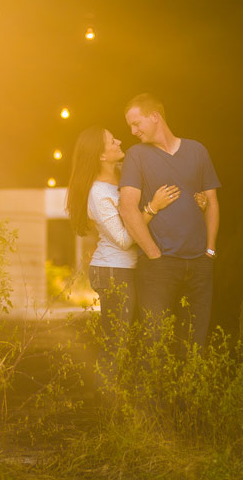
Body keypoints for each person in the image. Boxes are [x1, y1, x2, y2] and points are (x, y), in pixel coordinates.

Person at [66, 126, 207, 373]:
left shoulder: (122, 176)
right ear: (100, 155)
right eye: (111, 141)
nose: (119, 140)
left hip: (131, 267)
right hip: (113, 270)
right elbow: (123, 238)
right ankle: (104, 406)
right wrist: (152, 208)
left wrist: (197, 203)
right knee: (116, 343)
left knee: (135, 341)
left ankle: (124, 400)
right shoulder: (98, 193)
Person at [119, 93, 220, 347]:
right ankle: (154, 389)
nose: (132, 131)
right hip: (159, 266)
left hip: (199, 264)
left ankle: (192, 388)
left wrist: (210, 249)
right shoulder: (136, 155)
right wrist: (153, 254)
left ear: (155, 117)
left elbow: (212, 202)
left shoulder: (197, 150)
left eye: (136, 123)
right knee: (155, 342)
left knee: (195, 341)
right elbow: (127, 208)